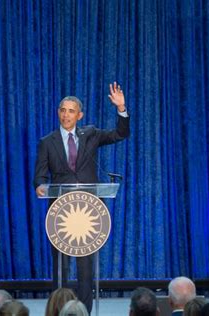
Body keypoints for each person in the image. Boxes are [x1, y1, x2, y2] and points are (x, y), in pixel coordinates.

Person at [33, 82, 130, 313]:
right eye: (62, 110)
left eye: (71, 111)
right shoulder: (47, 141)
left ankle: (83, 310)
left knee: (85, 266)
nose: (66, 115)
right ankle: (59, 309)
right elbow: (39, 176)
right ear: (59, 113)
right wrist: (40, 186)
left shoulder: (91, 135)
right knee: (61, 265)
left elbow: (120, 134)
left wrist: (121, 108)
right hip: (60, 211)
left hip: (88, 209)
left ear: (80, 115)